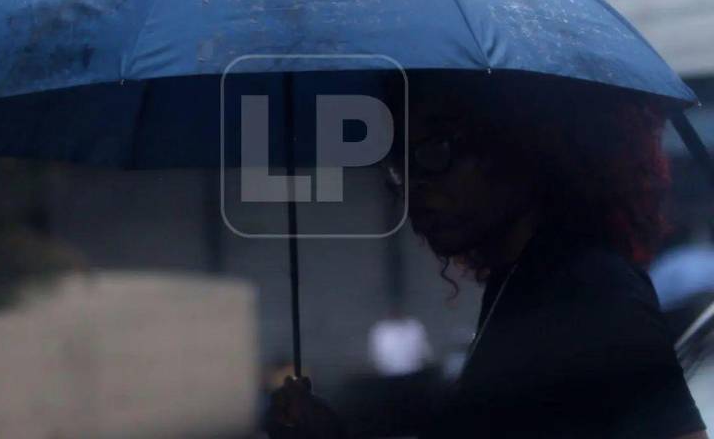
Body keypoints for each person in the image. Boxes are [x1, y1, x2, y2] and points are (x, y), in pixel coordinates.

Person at [265, 73, 709, 438]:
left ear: (520, 145)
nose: (414, 186)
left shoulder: (589, 288)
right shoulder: (520, 283)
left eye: (436, 152)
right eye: (399, 167)